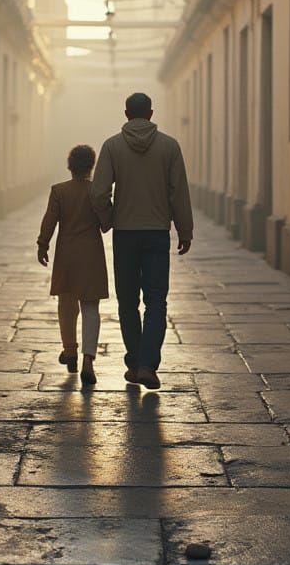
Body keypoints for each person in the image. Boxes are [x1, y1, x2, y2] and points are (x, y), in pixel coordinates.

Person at [91, 92, 193, 391]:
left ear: (126, 114)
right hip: (157, 233)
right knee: (156, 300)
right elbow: (179, 193)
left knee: (127, 301)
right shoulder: (169, 146)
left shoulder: (112, 146)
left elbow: (98, 193)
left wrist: (108, 219)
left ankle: (135, 363)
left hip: (125, 234)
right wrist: (184, 230)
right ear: (150, 113)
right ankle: (149, 365)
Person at [37, 144, 111, 386]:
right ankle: (88, 360)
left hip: (66, 255)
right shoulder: (96, 192)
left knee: (66, 305)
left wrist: (42, 244)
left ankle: (69, 350)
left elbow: (50, 220)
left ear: (70, 166)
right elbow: (106, 224)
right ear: (92, 166)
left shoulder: (59, 191)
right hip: (91, 254)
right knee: (90, 307)